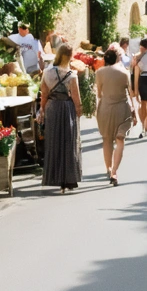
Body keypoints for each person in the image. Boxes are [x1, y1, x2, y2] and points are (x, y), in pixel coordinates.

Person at [40, 43, 83, 192]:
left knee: (54, 142)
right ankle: (68, 180)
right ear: (70, 58)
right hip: (66, 108)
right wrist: (79, 111)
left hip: (52, 107)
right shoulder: (71, 75)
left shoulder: (47, 72)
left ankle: (55, 177)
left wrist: (42, 110)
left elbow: (44, 94)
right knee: (68, 142)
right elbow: (76, 99)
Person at [95, 47, 135, 186]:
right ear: (117, 58)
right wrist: (134, 111)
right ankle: (115, 171)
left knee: (106, 139)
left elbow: (99, 94)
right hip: (122, 109)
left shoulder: (99, 73)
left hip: (105, 108)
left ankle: (109, 168)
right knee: (120, 139)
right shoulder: (124, 73)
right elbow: (130, 93)